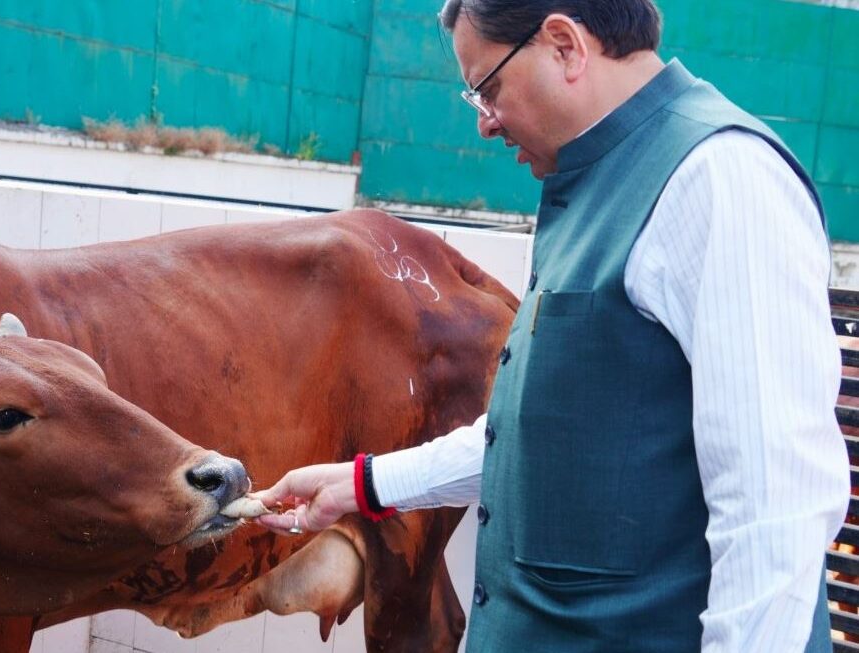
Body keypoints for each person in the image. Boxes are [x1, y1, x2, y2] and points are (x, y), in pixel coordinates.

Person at [252, 1, 852, 651]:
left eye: (488, 88)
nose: (485, 122)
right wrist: (362, 484)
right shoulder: (594, 179)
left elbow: (774, 517)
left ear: (565, 44)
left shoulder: (722, 178)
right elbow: (542, 435)